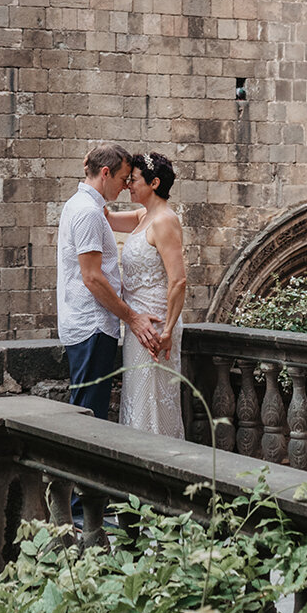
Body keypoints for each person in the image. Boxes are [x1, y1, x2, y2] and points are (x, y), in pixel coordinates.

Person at [56, 143, 161, 420]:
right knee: (89, 414)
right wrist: (133, 318)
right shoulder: (88, 212)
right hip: (93, 326)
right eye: (122, 178)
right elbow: (92, 278)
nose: (125, 186)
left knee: (86, 408)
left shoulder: (79, 204)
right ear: (105, 173)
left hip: (86, 324)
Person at [104, 151, 186, 438]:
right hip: (136, 324)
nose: (128, 185)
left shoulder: (164, 221)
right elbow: (107, 217)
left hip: (156, 326)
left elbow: (178, 281)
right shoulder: (143, 216)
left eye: (134, 180)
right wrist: (93, 170)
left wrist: (168, 331)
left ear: (153, 183)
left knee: (153, 400)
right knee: (137, 399)